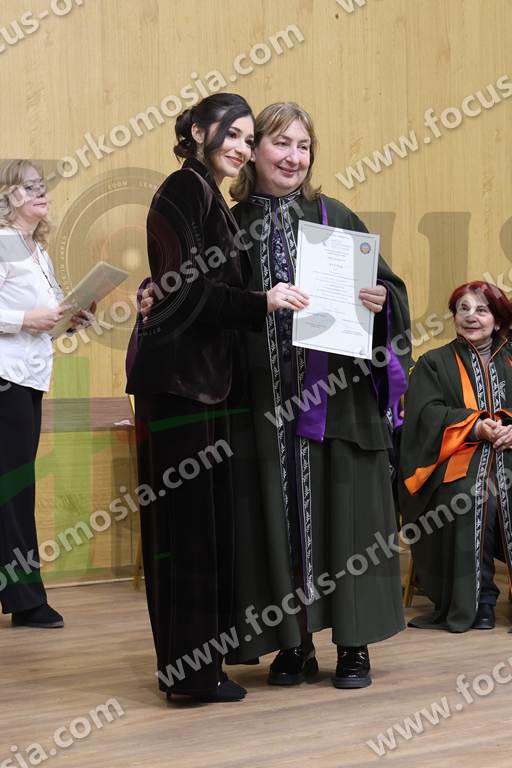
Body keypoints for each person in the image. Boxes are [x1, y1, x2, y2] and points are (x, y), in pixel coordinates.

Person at [126, 94, 309, 703]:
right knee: (187, 535)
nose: (240, 146)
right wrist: (263, 302)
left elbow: (173, 284)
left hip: (202, 387)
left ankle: (196, 669)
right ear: (200, 132)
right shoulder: (185, 188)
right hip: (180, 386)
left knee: (200, 531)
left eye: (247, 138)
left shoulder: (206, 195)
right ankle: (191, 675)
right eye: (231, 133)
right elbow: (186, 289)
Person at [0, 160, 94, 629]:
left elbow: (46, 321)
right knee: (13, 489)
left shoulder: (36, 251)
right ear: (8, 196)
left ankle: (22, 596)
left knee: (15, 487)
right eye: (29, 186)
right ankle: (27, 601)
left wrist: (69, 320)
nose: (42, 192)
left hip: (31, 377)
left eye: (43, 185)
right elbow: (22, 319)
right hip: (6, 376)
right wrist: (24, 320)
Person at [400, 281, 512, 633]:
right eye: (463, 309)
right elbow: (424, 416)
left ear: (497, 319)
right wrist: (474, 426)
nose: (471, 316)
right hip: (452, 460)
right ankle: (479, 601)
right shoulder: (434, 363)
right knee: (472, 496)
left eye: (481, 310)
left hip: (509, 455)